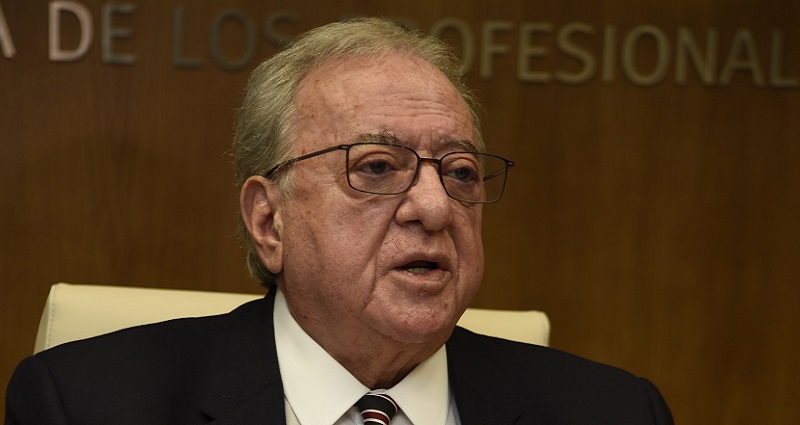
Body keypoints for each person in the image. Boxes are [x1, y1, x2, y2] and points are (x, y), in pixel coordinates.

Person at [5, 18, 673, 424]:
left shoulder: (614, 413)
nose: (436, 207)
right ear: (269, 221)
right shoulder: (88, 405)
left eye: (461, 172)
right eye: (377, 167)